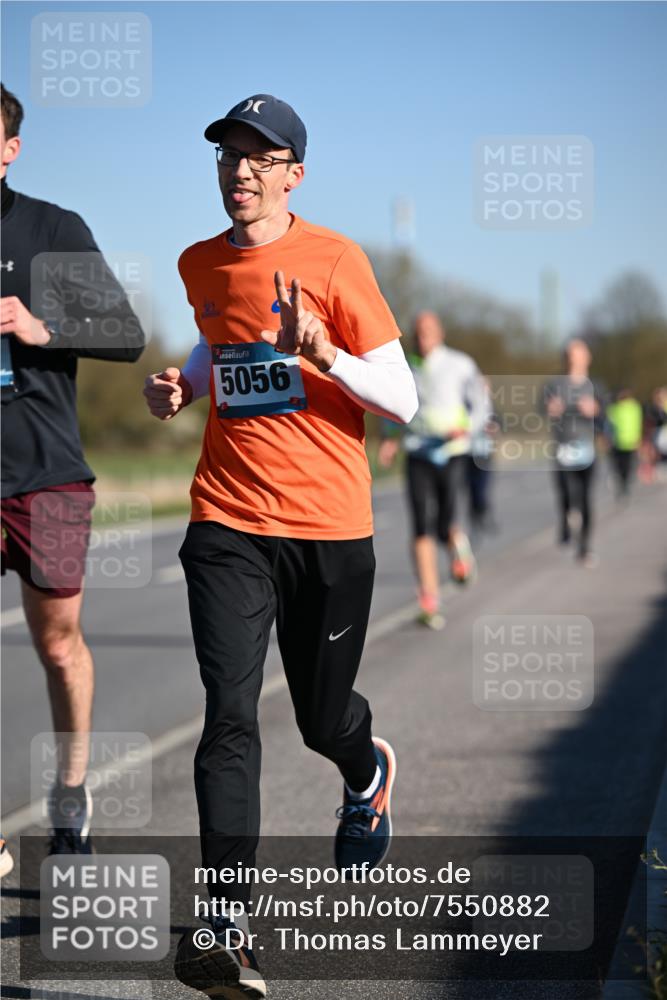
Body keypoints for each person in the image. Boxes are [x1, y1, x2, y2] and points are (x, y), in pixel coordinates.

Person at [143, 93, 417, 998]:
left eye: (262, 158)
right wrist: (181, 386)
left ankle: (365, 766)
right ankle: (228, 921)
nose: (242, 171)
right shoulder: (199, 263)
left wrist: (325, 356)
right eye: (229, 155)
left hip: (330, 530)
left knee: (318, 718)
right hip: (226, 519)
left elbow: (402, 399)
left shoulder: (337, 260)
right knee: (228, 712)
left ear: (293, 173)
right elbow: (217, 335)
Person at [0, 84, 145, 858]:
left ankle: (71, 791)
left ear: (8, 150)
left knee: (58, 643)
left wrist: (39, 325)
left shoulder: (53, 230)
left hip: (48, 472)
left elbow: (126, 335)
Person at [378, 312, 484, 630]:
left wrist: (466, 430)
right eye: (417, 332)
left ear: (440, 333)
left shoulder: (460, 364)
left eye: (428, 331)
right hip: (418, 452)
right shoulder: (405, 365)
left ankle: (457, 545)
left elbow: (481, 405)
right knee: (421, 527)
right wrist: (390, 438)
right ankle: (429, 598)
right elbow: (391, 402)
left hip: (452, 452)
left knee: (443, 525)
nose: (422, 337)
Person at [542, 338, 605, 567]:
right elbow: (541, 408)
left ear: (587, 356)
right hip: (563, 448)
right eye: (569, 353)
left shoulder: (595, 385)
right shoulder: (554, 385)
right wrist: (551, 409)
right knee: (567, 495)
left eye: (577, 353)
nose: (573, 358)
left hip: (587, 449)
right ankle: (566, 523)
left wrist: (595, 409)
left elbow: (605, 412)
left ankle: (585, 548)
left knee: (586, 499)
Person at [467, 374, 500, 536]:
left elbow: (499, 424)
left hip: (485, 452)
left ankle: (486, 515)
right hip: (469, 452)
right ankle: (475, 519)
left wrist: (494, 428)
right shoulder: (467, 404)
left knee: (484, 487)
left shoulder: (490, 407)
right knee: (471, 488)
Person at [606, 388, 643, 498]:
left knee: (619, 464)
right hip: (630, 441)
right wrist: (638, 438)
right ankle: (624, 482)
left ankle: (622, 481)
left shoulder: (615, 409)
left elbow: (609, 425)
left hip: (618, 441)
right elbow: (638, 423)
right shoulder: (635, 407)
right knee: (627, 464)